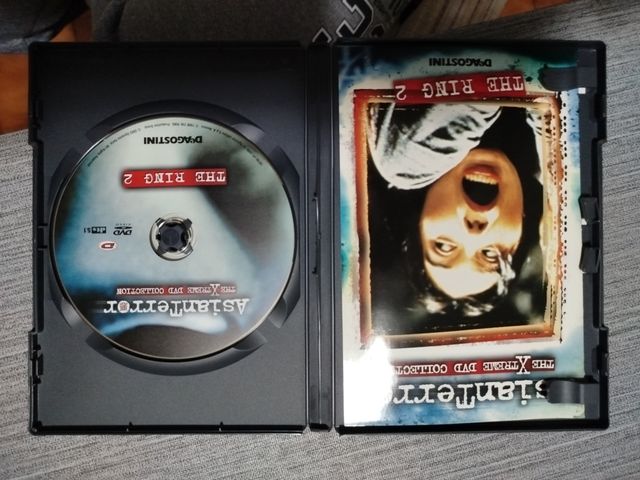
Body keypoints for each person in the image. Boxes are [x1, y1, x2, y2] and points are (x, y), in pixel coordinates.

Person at [366, 101, 544, 326]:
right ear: (521, 232)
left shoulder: (403, 164)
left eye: (443, 246)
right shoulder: (560, 165)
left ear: (419, 221)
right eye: (490, 255)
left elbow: (490, 85)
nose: (473, 233)